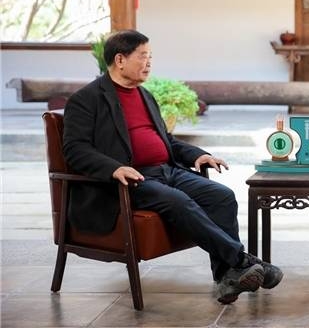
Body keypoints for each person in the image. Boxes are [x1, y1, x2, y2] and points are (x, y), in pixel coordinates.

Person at [62, 29, 283, 304]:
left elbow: (167, 141)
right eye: (143, 56)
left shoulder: (144, 95)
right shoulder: (86, 99)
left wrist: (197, 155)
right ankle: (243, 261)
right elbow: (75, 149)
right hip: (129, 180)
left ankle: (227, 277)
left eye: (150, 56)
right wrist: (114, 168)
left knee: (221, 196)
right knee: (178, 201)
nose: (149, 63)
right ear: (120, 60)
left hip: (167, 170)